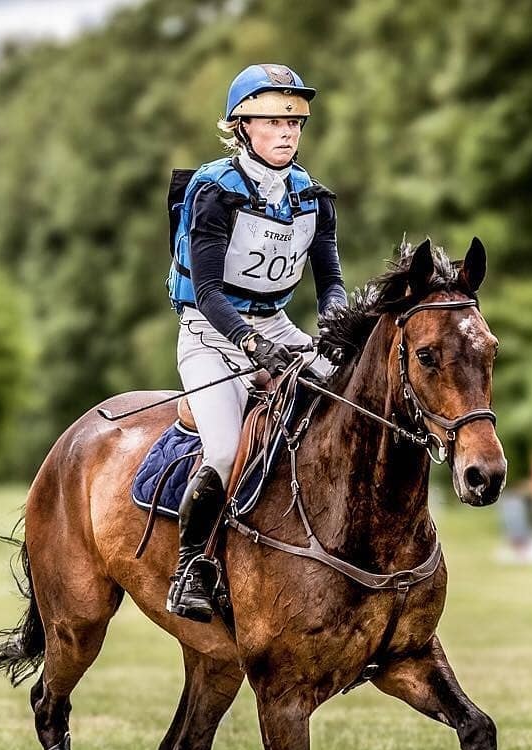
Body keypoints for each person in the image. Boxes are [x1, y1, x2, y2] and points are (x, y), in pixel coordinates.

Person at [165, 63, 346, 622]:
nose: (287, 132)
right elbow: (212, 290)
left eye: (295, 122)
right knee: (222, 448)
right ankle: (190, 567)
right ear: (242, 127)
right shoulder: (215, 192)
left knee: (352, 403)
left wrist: (336, 329)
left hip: (277, 326)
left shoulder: (312, 196)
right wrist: (247, 343)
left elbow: (331, 282)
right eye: (272, 121)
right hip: (210, 330)